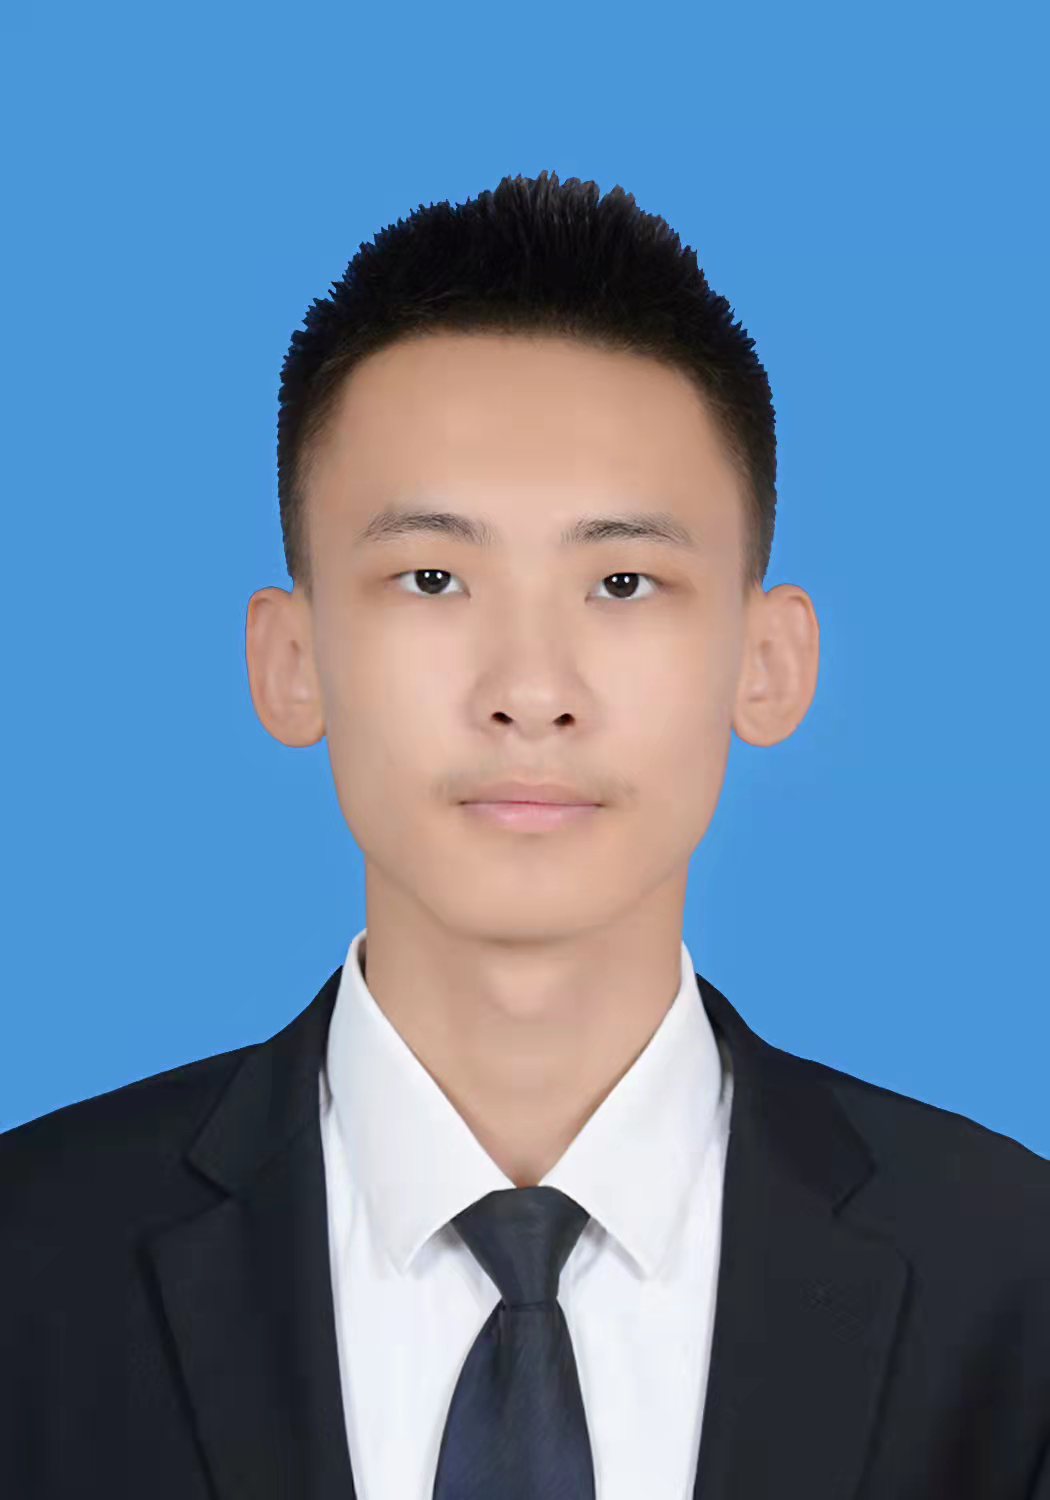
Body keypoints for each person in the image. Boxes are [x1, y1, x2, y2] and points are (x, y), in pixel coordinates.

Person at [2, 169, 1047, 1500]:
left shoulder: (1012, 1281)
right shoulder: (30, 1263)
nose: (531, 689)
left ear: (768, 661)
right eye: (432, 577)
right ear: (290, 661)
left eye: (625, 581)